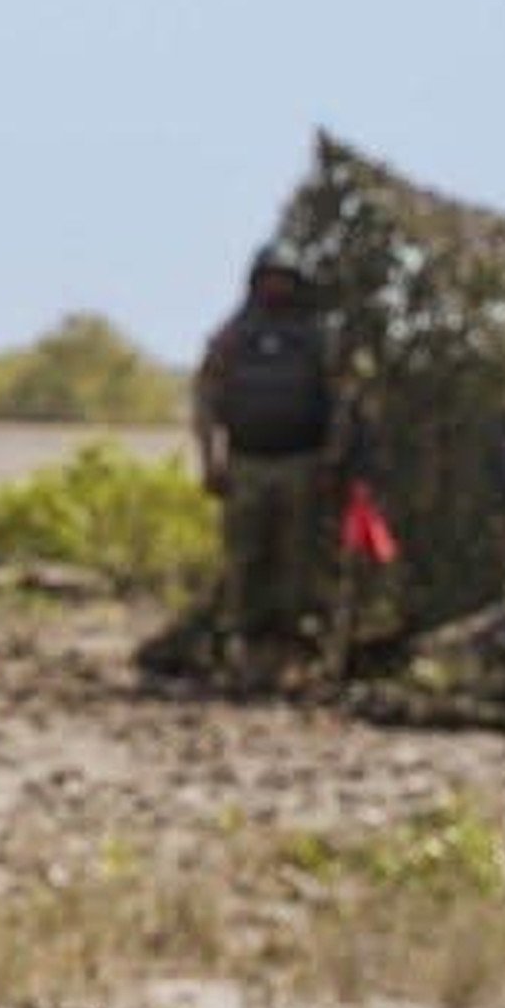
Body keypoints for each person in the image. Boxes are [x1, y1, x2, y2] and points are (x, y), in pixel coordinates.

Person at [192, 251, 344, 686]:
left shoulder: (316, 337)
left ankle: (293, 654)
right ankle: (241, 651)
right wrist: (210, 459)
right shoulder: (233, 335)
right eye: (269, 279)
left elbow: (339, 402)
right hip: (246, 463)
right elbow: (205, 399)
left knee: (300, 561)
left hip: (302, 461)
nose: (276, 288)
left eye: (285, 279)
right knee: (245, 559)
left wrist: (333, 458)